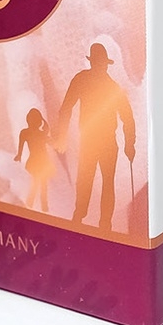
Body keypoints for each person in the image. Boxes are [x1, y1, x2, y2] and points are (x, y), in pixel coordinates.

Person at [56, 43, 136, 232]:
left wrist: (62, 136)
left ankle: (85, 219)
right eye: (100, 63)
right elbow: (128, 119)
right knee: (99, 181)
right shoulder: (111, 86)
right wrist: (129, 144)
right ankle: (97, 222)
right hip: (99, 141)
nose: (100, 66)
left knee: (90, 180)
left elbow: (66, 108)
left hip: (96, 141)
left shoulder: (84, 80)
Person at [13, 108, 56, 211]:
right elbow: (52, 143)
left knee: (38, 183)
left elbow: (21, 147)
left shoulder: (26, 133)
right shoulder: (39, 133)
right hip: (41, 161)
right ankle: (39, 205)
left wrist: (19, 155)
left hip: (38, 161)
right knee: (41, 184)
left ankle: (34, 204)